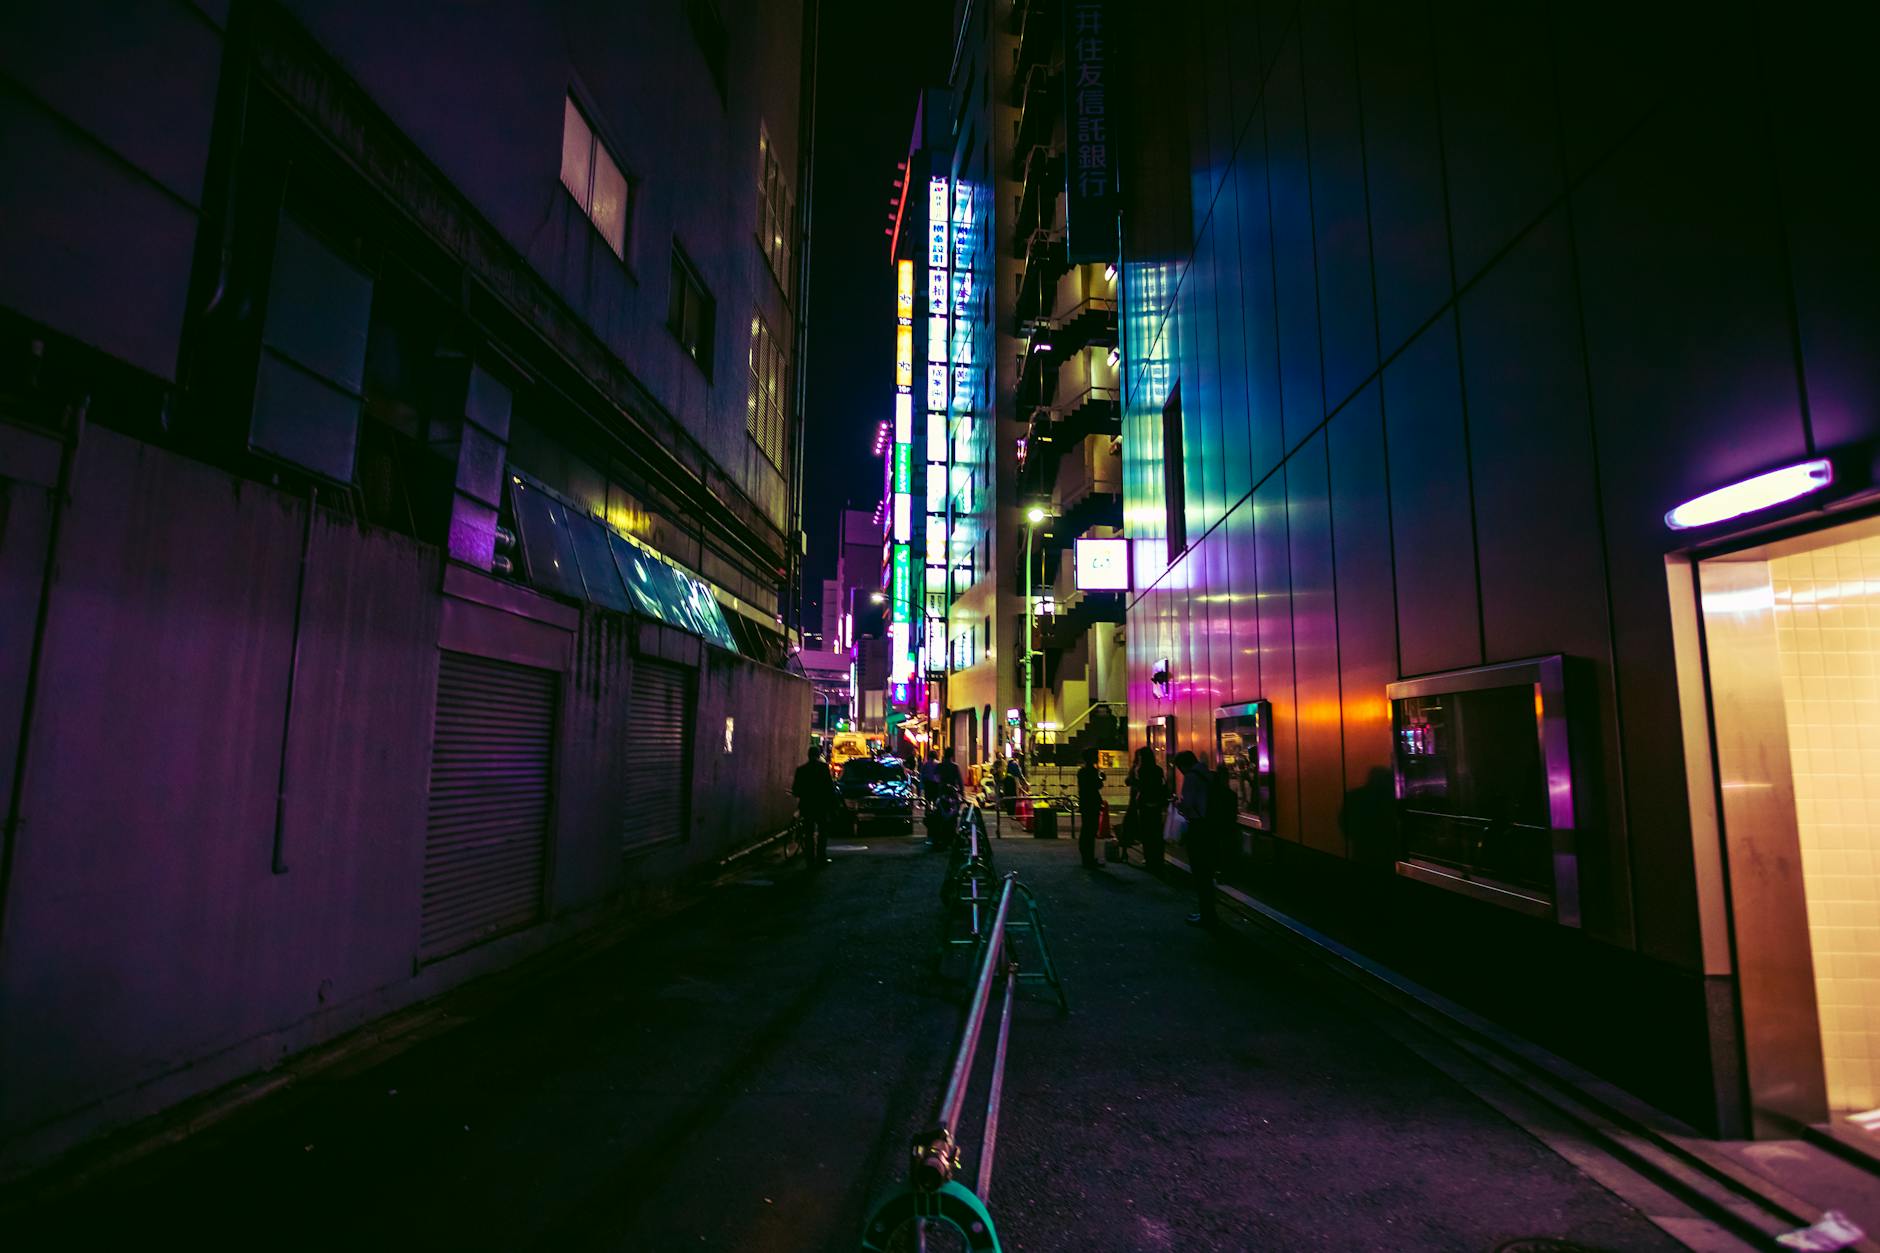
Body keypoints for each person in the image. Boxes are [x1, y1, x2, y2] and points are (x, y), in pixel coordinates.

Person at [1173, 750, 1216, 927]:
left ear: (1183, 765)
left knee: (1200, 873)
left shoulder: (1191, 777)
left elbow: (1187, 805)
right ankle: (1210, 913)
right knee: (1207, 872)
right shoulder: (1208, 774)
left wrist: (1178, 804)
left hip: (1198, 827)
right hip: (1211, 827)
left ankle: (1206, 915)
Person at [790, 745, 835, 869]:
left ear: (808, 755)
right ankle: (821, 857)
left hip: (807, 806)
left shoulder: (801, 770)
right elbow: (829, 788)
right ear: (818, 755)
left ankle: (810, 859)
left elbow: (796, 789)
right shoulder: (823, 769)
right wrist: (832, 804)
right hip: (821, 805)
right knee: (822, 832)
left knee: (808, 833)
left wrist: (801, 794)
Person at [1126, 744, 1169, 870]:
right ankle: (1158, 858)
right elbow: (1162, 785)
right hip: (1156, 804)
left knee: (1147, 833)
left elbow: (1138, 786)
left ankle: (1150, 859)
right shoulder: (1157, 769)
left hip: (1144, 804)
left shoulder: (1140, 770)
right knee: (1157, 832)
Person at [1076, 747, 1106, 869]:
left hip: (1085, 803)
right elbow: (1097, 785)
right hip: (1092, 803)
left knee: (1086, 830)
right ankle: (1089, 858)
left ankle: (1086, 857)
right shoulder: (1092, 771)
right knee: (1091, 831)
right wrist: (1101, 778)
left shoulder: (1081, 772)